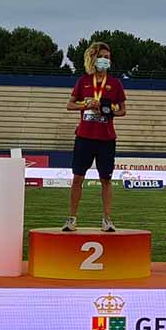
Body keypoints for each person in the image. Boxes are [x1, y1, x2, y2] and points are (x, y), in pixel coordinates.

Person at [64, 42, 127, 232]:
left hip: (106, 138)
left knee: (106, 179)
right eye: (103, 57)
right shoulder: (83, 81)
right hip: (84, 136)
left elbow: (123, 110)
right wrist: (87, 105)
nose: (106, 60)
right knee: (77, 178)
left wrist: (110, 110)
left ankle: (107, 219)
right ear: (94, 58)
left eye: (108, 58)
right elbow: (69, 105)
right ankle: (71, 219)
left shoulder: (115, 84)